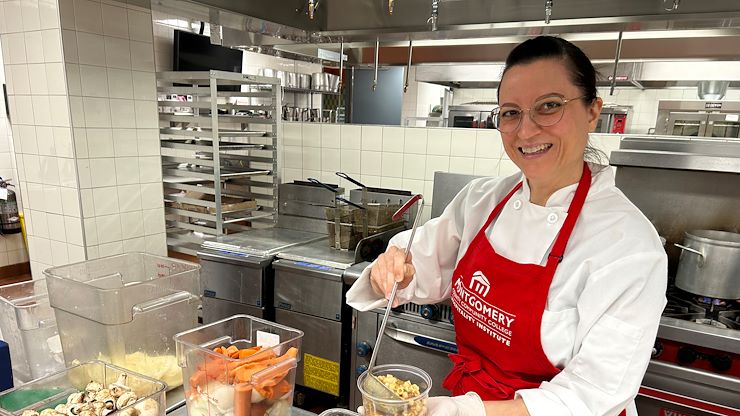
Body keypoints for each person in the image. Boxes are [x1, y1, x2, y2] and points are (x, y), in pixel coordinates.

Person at [347, 35, 667, 416]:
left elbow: (591, 395)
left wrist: (461, 413)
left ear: (593, 111)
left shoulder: (628, 244)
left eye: (549, 106)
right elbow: (420, 264)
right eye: (511, 112)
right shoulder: (482, 200)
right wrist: (392, 267)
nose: (526, 131)